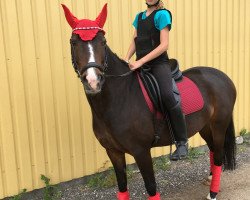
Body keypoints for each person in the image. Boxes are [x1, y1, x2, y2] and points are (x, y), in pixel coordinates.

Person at [124, 0, 188, 160]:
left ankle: (181, 142)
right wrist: (126, 58)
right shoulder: (139, 17)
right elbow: (135, 40)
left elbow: (164, 45)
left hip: (159, 64)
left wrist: (141, 61)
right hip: (140, 63)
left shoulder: (162, 14)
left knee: (167, 95)